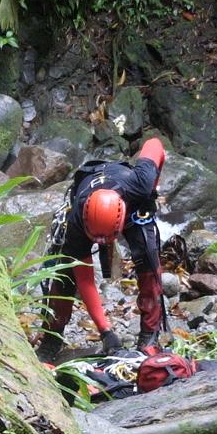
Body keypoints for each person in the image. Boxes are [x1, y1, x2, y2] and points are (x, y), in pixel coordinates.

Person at [33, 137, 168, 361]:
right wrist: (106, 331)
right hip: (87, 183)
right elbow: (85, 280)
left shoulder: (140, 183)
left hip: (130, 200)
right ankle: (52, 336)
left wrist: (151, 191)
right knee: (65, 270)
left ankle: (149, 334)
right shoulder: (77, 220)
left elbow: (155, 144)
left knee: (148, 258)